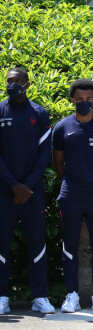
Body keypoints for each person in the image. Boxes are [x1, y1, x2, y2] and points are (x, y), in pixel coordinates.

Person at [52, 79, 93, 313]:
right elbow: (58, 163)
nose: (84, 103)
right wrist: (71, 183)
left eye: (88, 99)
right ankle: (71, 295)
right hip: (71, 195)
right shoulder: (62, 127)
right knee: (69, 246)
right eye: (79, 99)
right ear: (72, 100)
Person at [0, 68, 55, 315]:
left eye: (17, 81)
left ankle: (40, 297)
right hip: (5, 190)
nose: (12, 85)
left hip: (32, 193)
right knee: (1, 243)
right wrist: (13, 184)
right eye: (9, 81)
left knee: (37, 244)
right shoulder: (0, 110)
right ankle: (2, 296)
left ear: (27, 84)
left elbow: (45, 155)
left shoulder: (40, 113)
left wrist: (27, 186)